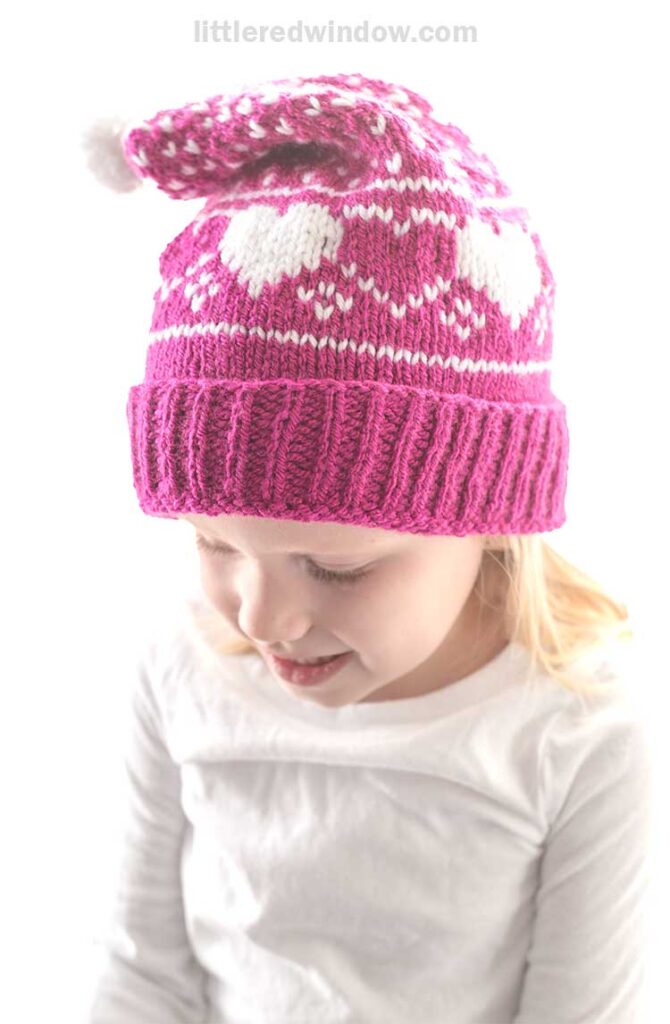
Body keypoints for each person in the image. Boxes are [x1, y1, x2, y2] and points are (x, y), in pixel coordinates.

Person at [82, 72, 652, 1023]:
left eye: (337, 567)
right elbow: (141, 976)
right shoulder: (180, 665)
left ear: (489, 518)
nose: (262, 618)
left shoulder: (577, 731)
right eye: (214, 542)